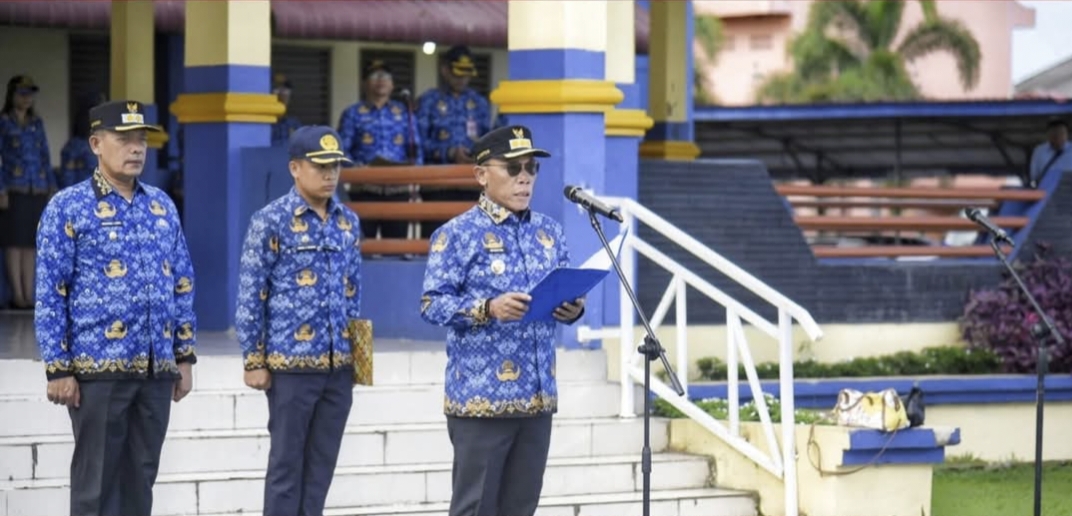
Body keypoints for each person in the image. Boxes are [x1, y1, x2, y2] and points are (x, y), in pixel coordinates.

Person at [33, 99, 197, 516]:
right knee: (96, 486)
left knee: (140, 480)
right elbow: (52, 291)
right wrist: (58, 366)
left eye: (141, 140)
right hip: (96, 370)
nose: (137, 148)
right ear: (95, 143)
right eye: (124, 140)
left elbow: (182, 282)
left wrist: (183, 355)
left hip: (156, 370)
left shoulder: (161, 205)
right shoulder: (68, 206)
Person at [419, 125, 586, 516]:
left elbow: (565, 290)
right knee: (475, 508)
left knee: (521, 508)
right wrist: (487, 308)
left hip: (537, 396)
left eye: (531, 167)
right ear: (481, 175)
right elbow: (431, 305)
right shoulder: (456, 234)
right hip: (482, 400)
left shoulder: (549, 232)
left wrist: (573, 309)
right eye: (512, 168)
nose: (524, 176)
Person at [234, 125, 362, 516]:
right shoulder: (270, 220)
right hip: (290, 366)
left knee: (321, 468)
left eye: (336, 166)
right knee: (287, 467)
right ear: (294, 167)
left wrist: (361, 360)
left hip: (338, 366)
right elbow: (251, 293)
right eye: (320, 166)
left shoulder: (348, 222)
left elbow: (355, 292)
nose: (330, 174)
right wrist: (254, 359)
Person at [337, 60, 422, 241]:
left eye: (386, 76)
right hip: (365, 190)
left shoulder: (405, 112)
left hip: (398, 190)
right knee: (361, 246)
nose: (381, 80)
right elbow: (341, 150)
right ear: (364, 83)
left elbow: (417, 150)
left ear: (392, 84)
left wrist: (414, 174)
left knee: (396, 247)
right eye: (375, 76)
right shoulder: (353, 113)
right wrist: (357, 169)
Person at [416, 45, 492, 239]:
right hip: (437, 186)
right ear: (445, 70)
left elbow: (488, 140)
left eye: (467, 74)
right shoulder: (429, 101)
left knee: (471, 243)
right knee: (436, 243)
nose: (462, 79)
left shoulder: (479, 103)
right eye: (458, 73)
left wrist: (477, 154)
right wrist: (449, 153)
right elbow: (419, 144)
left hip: (471, 185)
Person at [0, 74, 56, 310]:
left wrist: (52, 188)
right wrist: (1, 189)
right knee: (14, 243)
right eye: (22, 93)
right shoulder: (4, 122)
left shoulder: (37, 123)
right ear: (12, 95)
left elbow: (45, 156)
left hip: (38, 188)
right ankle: (17, 294)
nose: (27, 98)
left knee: (31, 243)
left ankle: (29, 295)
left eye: (30, 94)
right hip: (14, 188)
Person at [271, 73, 302, 147]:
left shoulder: (294, 124)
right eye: (277, 87)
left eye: (285, 88)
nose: (282, 92)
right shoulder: (264, 124)